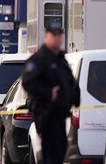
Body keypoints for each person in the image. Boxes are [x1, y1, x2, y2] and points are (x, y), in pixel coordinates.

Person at [22, 27, 80, 164]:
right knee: (52, 154)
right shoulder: (39, 59)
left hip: (60, 114)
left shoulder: (60, 58)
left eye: (59, 35)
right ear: (46, 36)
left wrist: (75, 98)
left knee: (60, 151)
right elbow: (28, 82)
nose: (57, 38)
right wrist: (48, 93)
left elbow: (69, 81)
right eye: (53, 35)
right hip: (47, 113)